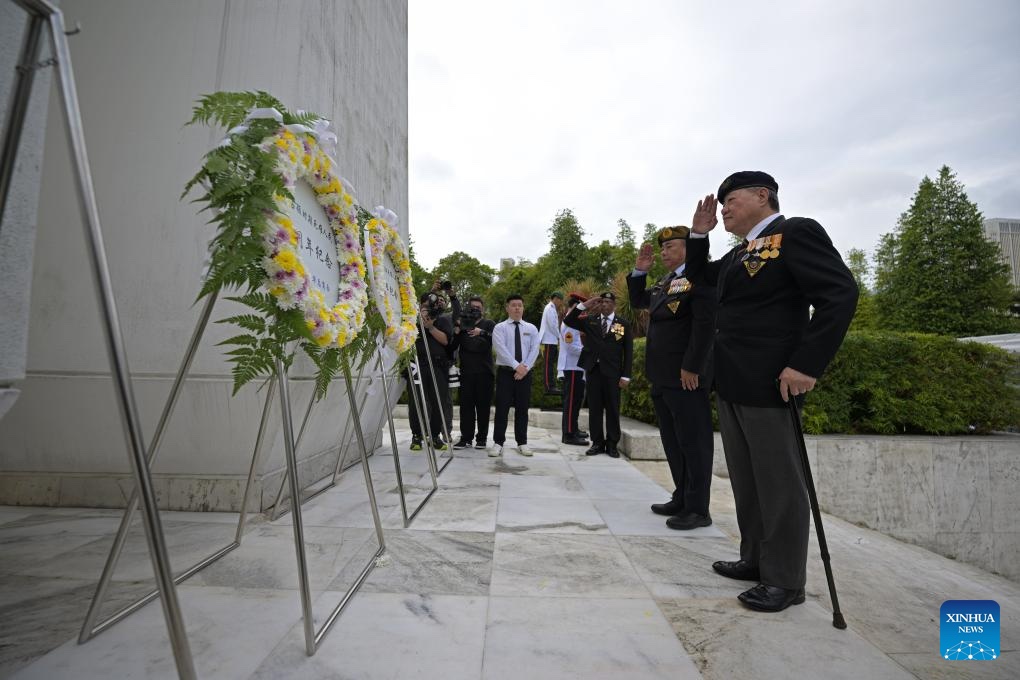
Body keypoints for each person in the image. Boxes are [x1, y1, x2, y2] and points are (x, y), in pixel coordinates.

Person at [685, 171, 858, 613]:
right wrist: (699, 236)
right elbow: (701, 280)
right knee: (748, 481)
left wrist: (806, 364)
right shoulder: (740, 252)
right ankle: (756, 559)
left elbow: (840, 294)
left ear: (763, 196)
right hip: (733, 380)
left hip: (771, 383)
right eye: (722, 202)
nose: (724, 208)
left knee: (779, 483)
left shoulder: (795, 232)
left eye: (731, 200)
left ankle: (784, 580)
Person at [627, 226, 717, 530]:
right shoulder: (666, 282)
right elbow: (639, 300)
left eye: (671, 247)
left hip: (686, 377)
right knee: (674, 442)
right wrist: (640, 272)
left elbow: (705, 325)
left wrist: (693, 366)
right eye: (662, 248)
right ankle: (682, 497)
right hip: (662, 377)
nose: (664, 252)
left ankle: (698, 509)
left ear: (689, 249)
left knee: (694, 444)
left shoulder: (699, 278)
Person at [562, 291, 633, 458]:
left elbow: (628, 351)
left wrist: (626, 375)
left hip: (613, 373)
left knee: (613, 409)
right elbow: (568, 320)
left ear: (614, 305)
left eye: (608, 302)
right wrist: (584, 305)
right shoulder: (590, 320)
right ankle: (597, 443)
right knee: (594, 408)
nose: (605, 305)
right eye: (602, 302)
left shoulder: (622, 324)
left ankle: (612, 444)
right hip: (594, 371)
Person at [491, 294, 540, 457]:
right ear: (507, 308)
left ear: (523, 308)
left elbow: (535, 350)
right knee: (502, 408)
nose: (517, 308)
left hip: (525, 374)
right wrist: (516, 366)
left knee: (522, 409)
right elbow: (501, 349)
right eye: (513, 305)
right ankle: (498, 443)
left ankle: (522, 443)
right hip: (506, 373)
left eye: (520, 305)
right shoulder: (500, 328)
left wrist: (524, 368)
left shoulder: (531, 328)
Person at [406, 291, 454, 452]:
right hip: (417, 364)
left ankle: (434, 436)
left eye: (432, 304)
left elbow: (446, 341)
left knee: (438, 401)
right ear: (420, 304)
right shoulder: (411, 318)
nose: (429, 308)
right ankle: (417, 435)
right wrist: (419, 321)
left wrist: (431, 327)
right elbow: (405, 338)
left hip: (437, 366)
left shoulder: (442, 319)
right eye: (426, 305)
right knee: (416, 401)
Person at [450, 295, 496, 450]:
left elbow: (496, 340)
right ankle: (466, 438)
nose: (476, 309)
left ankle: (482, 439)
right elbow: (452, 347)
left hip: (485, 373)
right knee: (466, 407)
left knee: (483, 407)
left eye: (478, 307)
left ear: (483, 309)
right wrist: (457, 331)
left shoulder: (488, 324)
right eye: (473, 307)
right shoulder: (463, 323)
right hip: (466, 373)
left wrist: (481, 332)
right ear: (468, 308)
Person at [557, 294, 589, 446]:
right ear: (572, 308)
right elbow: (571, 347)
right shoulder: (569, 324)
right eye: (579, 308)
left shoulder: (574, 322)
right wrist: (589, 352)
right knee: (570, 403)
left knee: (576, 401)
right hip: (571, 367)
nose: (581, 312)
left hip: (577, 367)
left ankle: (573, 429)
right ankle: (569, 434)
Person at [538, 291, 564, 395]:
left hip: (551, 340)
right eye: (560, 300)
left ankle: (551, 385)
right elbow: (552, 326)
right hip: (548, 340)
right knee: (548, 364)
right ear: (556, 298)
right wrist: (560, 337)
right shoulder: (549, 308)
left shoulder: (552, 308)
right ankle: (549, 387)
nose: (560, 303)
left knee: (550, 364)